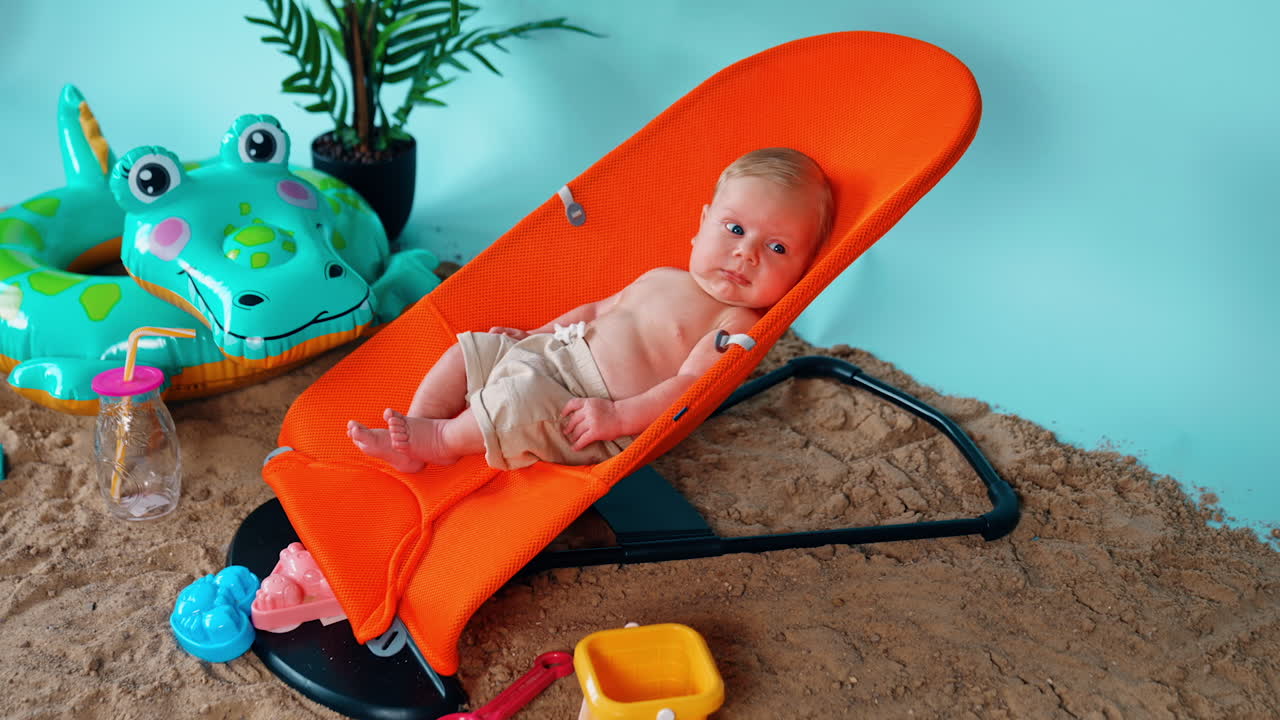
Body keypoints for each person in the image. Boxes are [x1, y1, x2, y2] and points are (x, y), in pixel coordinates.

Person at [348, 147, 834, 473]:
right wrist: (530, 335)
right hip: (554, 352)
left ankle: (438, 443)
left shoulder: (734, 323)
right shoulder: (664, 276)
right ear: (702, 223)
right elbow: (596, 309)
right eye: (734, 230)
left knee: (515, 403)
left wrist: (618, 417)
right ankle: (421, 419)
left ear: (804, 268)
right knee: (469, 349)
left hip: (586, 410)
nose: (746, 254)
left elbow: (689, 389)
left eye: (776, 248)